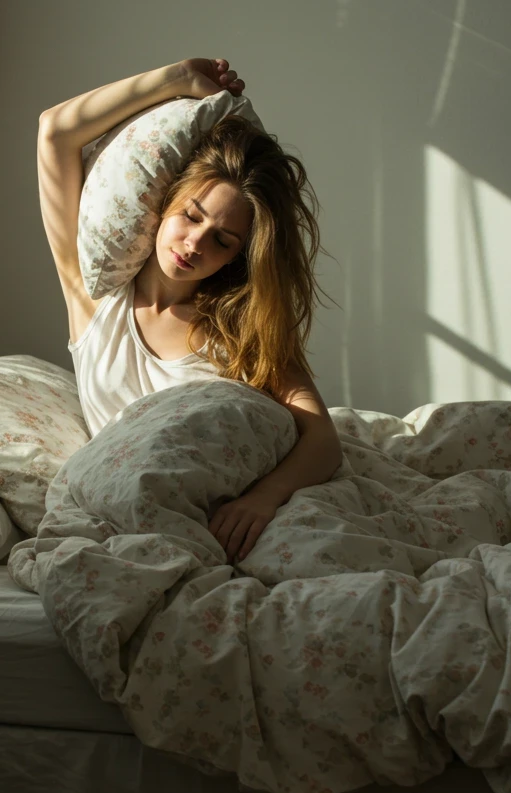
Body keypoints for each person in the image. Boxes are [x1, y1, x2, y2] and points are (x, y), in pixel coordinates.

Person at [37, 57, 342, 566]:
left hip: (226, 521)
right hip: (131, 504)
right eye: (190, 216)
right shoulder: (95, 301)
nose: (194, 244)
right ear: (164, 201)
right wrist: (175, 79)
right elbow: (55, 132)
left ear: (237, 256)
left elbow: (323, 441)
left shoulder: (241, 330)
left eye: (222, 240)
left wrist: (263, 498)